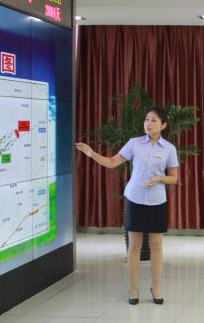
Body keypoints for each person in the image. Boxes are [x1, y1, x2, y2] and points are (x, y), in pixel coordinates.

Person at [75, 107, 180, 305]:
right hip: (135, 199)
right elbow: (112, 162)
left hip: (157, 201)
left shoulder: (169, 149)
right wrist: (92, 154)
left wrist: (160, 178)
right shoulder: (134, 143)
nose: (148, 124)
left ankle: (156, 287)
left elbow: (174, 178)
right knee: (134, 246)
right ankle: (133, 289)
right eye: (146, 119)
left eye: (153, 120)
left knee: (156, 246)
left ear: (163, 125)